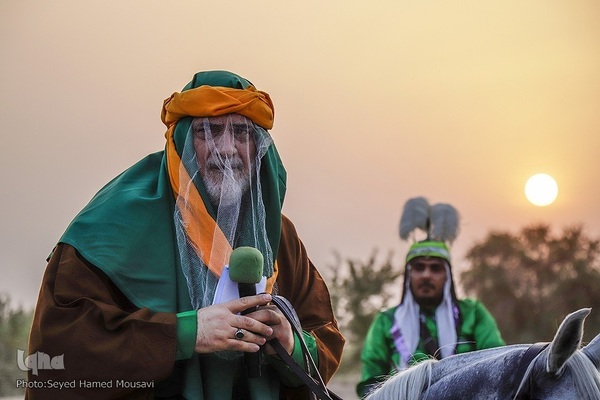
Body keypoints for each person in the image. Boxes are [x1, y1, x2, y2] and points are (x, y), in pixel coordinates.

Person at [26, 70, 345, 400]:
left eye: (241, 133)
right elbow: (60, 347)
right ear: (181, 143)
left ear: (259, 148)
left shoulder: (281, 235)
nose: (227, 150)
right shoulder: (114, 225)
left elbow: (324, 341)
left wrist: (292, 344)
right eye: (209, 132)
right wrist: (186, 333)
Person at [356, 197, 504, 398]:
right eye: (419, 268)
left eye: (435, 268)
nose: (426, 275)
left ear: (447, 276)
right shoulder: (386, 322)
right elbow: (370, 385)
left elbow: (498, 365)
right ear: (408, 275)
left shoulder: (474, 313)